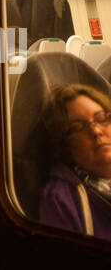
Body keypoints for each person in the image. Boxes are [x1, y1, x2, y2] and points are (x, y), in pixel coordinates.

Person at [39, 84, 111, 239]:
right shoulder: (60, 200)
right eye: (79, 127)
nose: (96, 131)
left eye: (101, 118)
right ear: (65, 145)